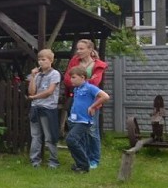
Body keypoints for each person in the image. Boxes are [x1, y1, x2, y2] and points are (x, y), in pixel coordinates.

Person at [62, 39, 108, 169]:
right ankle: (84, 158)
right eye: (77, 49)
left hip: (92, 104)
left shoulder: (97, 64)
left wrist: (80, 81)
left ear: (90, 50)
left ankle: (94, 159)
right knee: (79, 133)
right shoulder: (74, 61)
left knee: (93, 132)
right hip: (77, 101)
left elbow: (95, 83)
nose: (78, 51)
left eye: (82, 49)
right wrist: (78, 81)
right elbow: (67, 79)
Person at [65, 66, 110, 174]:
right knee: (80, 142)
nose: (71, 80)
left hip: (84, 121)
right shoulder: (76, 89)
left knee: (70, 140)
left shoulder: (90, 88)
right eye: (71, 77)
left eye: (74, 77)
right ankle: (79, 164)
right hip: (74, 120)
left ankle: (84, 165)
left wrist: (93, 106)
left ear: (82, 77)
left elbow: (105, 96)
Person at [27, 49, 61, 168]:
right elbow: (31, 91)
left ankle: (53, 161)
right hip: (35, 107)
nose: (41, 62)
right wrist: (32, 76)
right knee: (35, 136)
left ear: (51, 60)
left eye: (43, 59)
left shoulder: (55, 74)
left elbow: (49, 91)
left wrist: (34, 97)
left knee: (49, 136)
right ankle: (35, 161)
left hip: (48, 108)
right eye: (39, 60)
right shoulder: (37, 75)